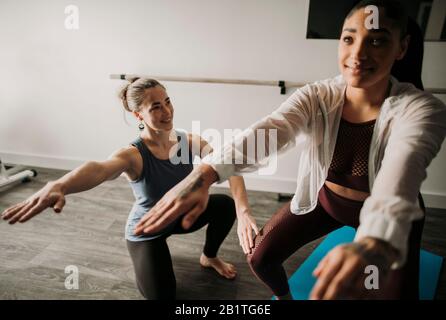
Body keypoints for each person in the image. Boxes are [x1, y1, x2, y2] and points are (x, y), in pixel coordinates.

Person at [132, 0, 446, 300]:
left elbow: (402, 171)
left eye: (377, 41)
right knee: (260, 258)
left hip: (389, 216)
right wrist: (204, 174)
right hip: (326, 202)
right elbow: (269, 131)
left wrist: (376, 238)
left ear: (402, 47)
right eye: (350, 38)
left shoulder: (421, 110)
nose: (358, 53)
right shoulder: (318, 96)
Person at [1, 77, 258, 300]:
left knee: (225, 205)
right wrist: (60, 184)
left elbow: (228, 164)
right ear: (139, 115)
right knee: (164, 295)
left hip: (179, 215)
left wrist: (244, 209)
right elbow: (99, 169)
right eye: (156, 106)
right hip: (148, 229)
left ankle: (209, 257)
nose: (167, 111)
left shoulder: (189, 141)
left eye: (167, 101)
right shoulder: (133, 155)